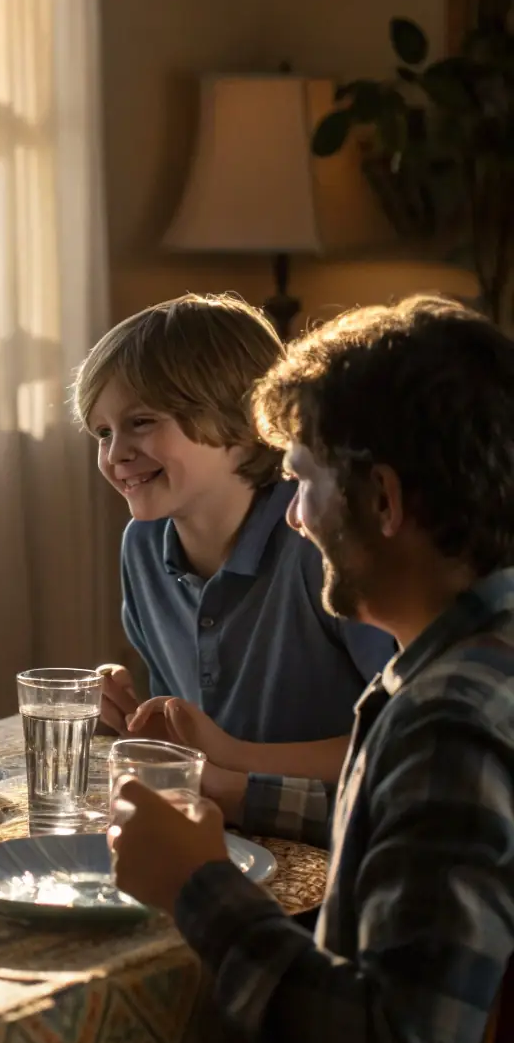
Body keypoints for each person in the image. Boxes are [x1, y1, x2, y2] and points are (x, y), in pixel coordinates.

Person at [111, 295, 514, 1043]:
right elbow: (396, 825)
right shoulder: (467, 664)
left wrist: (202, 890)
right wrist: (229, 792)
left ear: (381, 499)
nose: (292, 515)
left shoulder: (450, 720)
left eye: (301, 480)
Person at [73, 295, 393, 841]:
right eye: (102, 433)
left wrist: (234, 758)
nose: (114, 454)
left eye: (141, 422)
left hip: (343, 839)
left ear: (245, 419)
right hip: (225, 837)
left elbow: (398, 741)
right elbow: (189, 736)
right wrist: (129, 708)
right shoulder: (143, 547)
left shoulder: (320, 541)